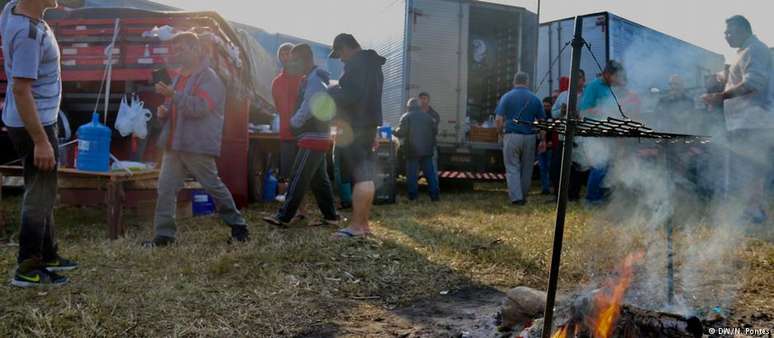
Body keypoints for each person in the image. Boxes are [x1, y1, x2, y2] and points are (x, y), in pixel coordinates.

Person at [145, 32, 249, 247]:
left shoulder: (210, 78)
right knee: (165, 189)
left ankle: (239, 226)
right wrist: (165, 111)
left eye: (182, 48)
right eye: (175, 49)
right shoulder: (179, 76)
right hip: (174, 143)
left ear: (196, 50)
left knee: (213, 187)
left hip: (196, 144)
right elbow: (178, 107)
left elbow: (200, 107)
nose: (177, 53)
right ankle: (164, 236)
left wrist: (173, 96)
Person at [2, 0, 78, 287]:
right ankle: (28, 268)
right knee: (39, 193)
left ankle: (48, 254)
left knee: (45, 189)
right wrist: (40, 141)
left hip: (31, 119)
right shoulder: (28, 35)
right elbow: (21, 90)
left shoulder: (12, 9)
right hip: (34, 123)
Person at [703, 15, 772, 224]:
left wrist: (720, 96)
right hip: (745, 122)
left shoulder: (756, 49)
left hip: (753, 121)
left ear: (743, 29)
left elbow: (754, 83)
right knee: (750, 169)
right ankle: (753, 210)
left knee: (747, 169)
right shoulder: (744, 53)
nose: (725, 36)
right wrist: (722, 77)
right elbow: (741, 77)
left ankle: (753, 212)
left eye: (729, 32)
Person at [263, 44, 340, 227]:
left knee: (298, 176)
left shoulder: (314, 79)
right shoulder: (313, 77)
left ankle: (283, 217)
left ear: (305, 59)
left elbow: (309, 105)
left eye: (294, 59)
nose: (292, 63)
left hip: (313, 136)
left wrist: (293, 122)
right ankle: (331, 217)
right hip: (316, 135)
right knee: (319, 179)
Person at [327, 33, 386, 238]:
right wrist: (376, 129)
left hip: (355, 127)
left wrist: (331, 92)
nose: (341, 59)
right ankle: (364, 225)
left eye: (340, 54)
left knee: (359, 177)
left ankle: (356, 227)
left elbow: (351, 96)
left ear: (345, 47)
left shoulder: (356, 64)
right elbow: (373, 99)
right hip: (368, 126)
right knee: (366, 176)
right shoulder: (373, 64)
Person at [579, 60, 627, 205]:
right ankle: (591, 199)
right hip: (595, 133)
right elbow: (583, 112)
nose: (618, 79)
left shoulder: (612, 87)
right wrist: (603, 109)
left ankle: (600, 197)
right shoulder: (593, 86)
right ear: (607, 74)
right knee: (599, 167)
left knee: (607, 167)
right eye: (616, 76)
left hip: (608, 133)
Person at [495, 72, 545, 205]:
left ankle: (517, 198)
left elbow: (499, 119)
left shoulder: (506, 97)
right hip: (530, 137)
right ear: (527, 82)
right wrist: (543, 140)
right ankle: (523, 195)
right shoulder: (535, 99)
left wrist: (500, 133)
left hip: (512, 135)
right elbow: (542, 122)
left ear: (514, 81)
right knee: (527, 168)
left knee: (512, 167)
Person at [271, 43, 304, 202]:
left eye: (288, 53)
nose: (285, 57)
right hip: (286, 132)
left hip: (304, 133)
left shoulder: (304, 78)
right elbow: (278, 107)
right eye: (282, 54)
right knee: (286, 170)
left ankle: (299, 203)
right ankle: (288, 200)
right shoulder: (276, 82)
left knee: (303, 171)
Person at [550, 70, 588, 201]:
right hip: (564, 137)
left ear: (584, 80)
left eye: (579, 78)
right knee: (558, 167)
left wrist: (580, 116)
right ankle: (558, 195)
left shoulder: (587, 96)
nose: (576, 81)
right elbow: (553, 113)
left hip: (579, 139)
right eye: (574, 78)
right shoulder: (563, 95)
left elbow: (593, 114)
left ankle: (573, 195)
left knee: (576, 169)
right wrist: (561, 111)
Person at [395, 98, 440, 201]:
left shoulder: (406, 116)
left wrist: (393, 131)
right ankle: (435, 196)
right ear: (419, 106)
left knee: (412, 175)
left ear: (409, 107)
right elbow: (435, 131)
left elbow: (401, 132)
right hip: (427, 151)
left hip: (412, 151)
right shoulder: (429, 117)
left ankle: (413, 196)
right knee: (430, 175)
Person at [418, 92, 440, 172]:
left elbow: (434, 130)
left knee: (433, 171)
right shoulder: (415, 113)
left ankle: (434, 185)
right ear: (419, 100)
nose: (423, 101)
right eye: (421, 99)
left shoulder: (434, 114)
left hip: (430, 146)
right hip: (417, 147)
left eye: (425, 98)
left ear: (428, 100)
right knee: (415, 171)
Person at [538, 97, 554, 195]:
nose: (545, 108)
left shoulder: (553, 117)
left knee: (549, 167)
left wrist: (551, 141)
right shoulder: (540, 117)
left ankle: (549, 187)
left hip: (550, 146)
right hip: (540, 145)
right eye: (544, 106)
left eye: (547, 106)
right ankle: (545, 188)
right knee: (542, 167)